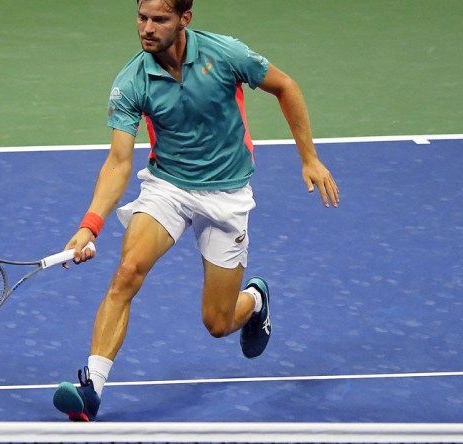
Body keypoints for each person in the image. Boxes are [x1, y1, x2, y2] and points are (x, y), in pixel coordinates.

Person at [53, 0, 339, 422]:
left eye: (159, 20)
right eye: (142, 17)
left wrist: (309, 157)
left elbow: (286, 87)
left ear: (184, 20)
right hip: (168, 187)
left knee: (218, 323)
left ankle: (255, 301)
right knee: (128, 271)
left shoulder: (225, 54)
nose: (147, 28)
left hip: (227, 195)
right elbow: (118, 162)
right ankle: (92, 387)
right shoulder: (132, 81)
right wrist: (90, 225)